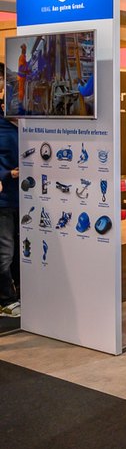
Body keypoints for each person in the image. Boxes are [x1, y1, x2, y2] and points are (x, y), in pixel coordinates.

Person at [0, 94, 20, 318]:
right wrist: (7, 174)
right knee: (5, 253)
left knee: (21, 251)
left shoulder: (27, 127)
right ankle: (6, 300)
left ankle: (19, 295)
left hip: (23, 199)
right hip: (4, 200)